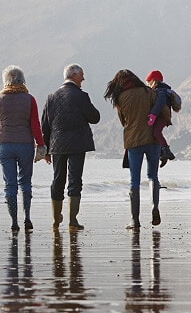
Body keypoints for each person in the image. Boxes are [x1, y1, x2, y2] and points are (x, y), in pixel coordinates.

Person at [104, 69, 170, 230]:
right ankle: (155, 207)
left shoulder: (120, 98)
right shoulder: (149, 92)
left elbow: (123, 121)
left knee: (134, 180)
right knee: (153, 175)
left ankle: (135, 220)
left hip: (133, 141)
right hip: (152, 140)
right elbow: (164, 111)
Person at [0, 65, 47, 232]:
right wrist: (41, 144)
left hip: (4, 145)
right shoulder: (29, 99)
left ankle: (14, 221)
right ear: (23, 80)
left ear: (6, 81)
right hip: (25, 145)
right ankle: (27, 216)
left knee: (9, 184)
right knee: (25, 182)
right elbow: (35, 125)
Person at [41, 63, 101, 230]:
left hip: (56, 144)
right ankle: (72, 220)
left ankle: (55, 219)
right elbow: (95, 117)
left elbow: (45, 125)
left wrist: (45, 149)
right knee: (75, 180)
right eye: (81, 75)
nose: (83, 78)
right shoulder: (81, 96)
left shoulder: (51, 97)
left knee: (58, 179)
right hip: (77, 143)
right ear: (74, 76)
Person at [144, 70, 182, 167]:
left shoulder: (160, 90)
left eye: (148, 82)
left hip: (162, 117)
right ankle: (162, 154)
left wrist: (153, 115)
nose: (148, 85)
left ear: (153, 81)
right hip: (162, 116)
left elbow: (160, 103)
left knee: (156, 132)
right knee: (155, 134)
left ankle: (167, 152)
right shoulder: (163, 89)